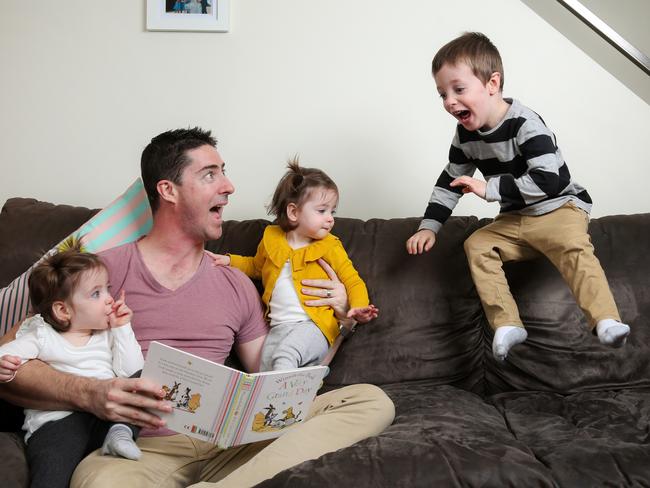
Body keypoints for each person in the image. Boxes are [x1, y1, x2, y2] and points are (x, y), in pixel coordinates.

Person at [0, 127, 394, 488]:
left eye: (224, 171)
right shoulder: (100, 273)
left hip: (229, 445)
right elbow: (11, 362)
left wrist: (341, 324)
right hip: (142, 450)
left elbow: (272, 380)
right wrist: (91, 393)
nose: (229, 186)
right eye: (210, 175)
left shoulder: (235, 282)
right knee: (98, 483)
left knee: (368, 402)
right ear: (168, 190)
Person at [406, 32, 630, 361]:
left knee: (573, 246)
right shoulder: (466, 136)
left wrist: (490, 189)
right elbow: (449, 181)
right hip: (515, 220)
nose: (449, 102)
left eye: (458, 89)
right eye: (442, 94)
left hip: (558, 208)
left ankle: (606, 320)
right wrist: (429, 226)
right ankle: (508, 324)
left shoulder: (526, 124)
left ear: (492, 83)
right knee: (477, 244)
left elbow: (549, 181)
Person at [208, 159, 378, 371]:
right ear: (294, 212)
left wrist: (358, 307)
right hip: (278, 328)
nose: (330, 219)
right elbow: (256, 267)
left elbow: (352, 280)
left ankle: (284, 395)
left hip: (313, 327)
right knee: (266, 371)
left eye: (332, 212)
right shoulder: (271, 239)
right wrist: (229, 260)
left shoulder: (330, 246)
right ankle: (297, 396)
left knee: (286, 355)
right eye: (322, 211)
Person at [0, 243, 143, 488]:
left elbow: (130, 372)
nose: (109, 299)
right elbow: (7, 352)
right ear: (63, 310)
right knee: (52, 473)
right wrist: (3, 364)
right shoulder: (42, 334)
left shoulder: (106, 334)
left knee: (143, 381)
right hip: (57, 424)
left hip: (104, 419)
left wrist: (122, 328)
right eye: (96, 294)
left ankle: (120, 432)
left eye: (107, 289)